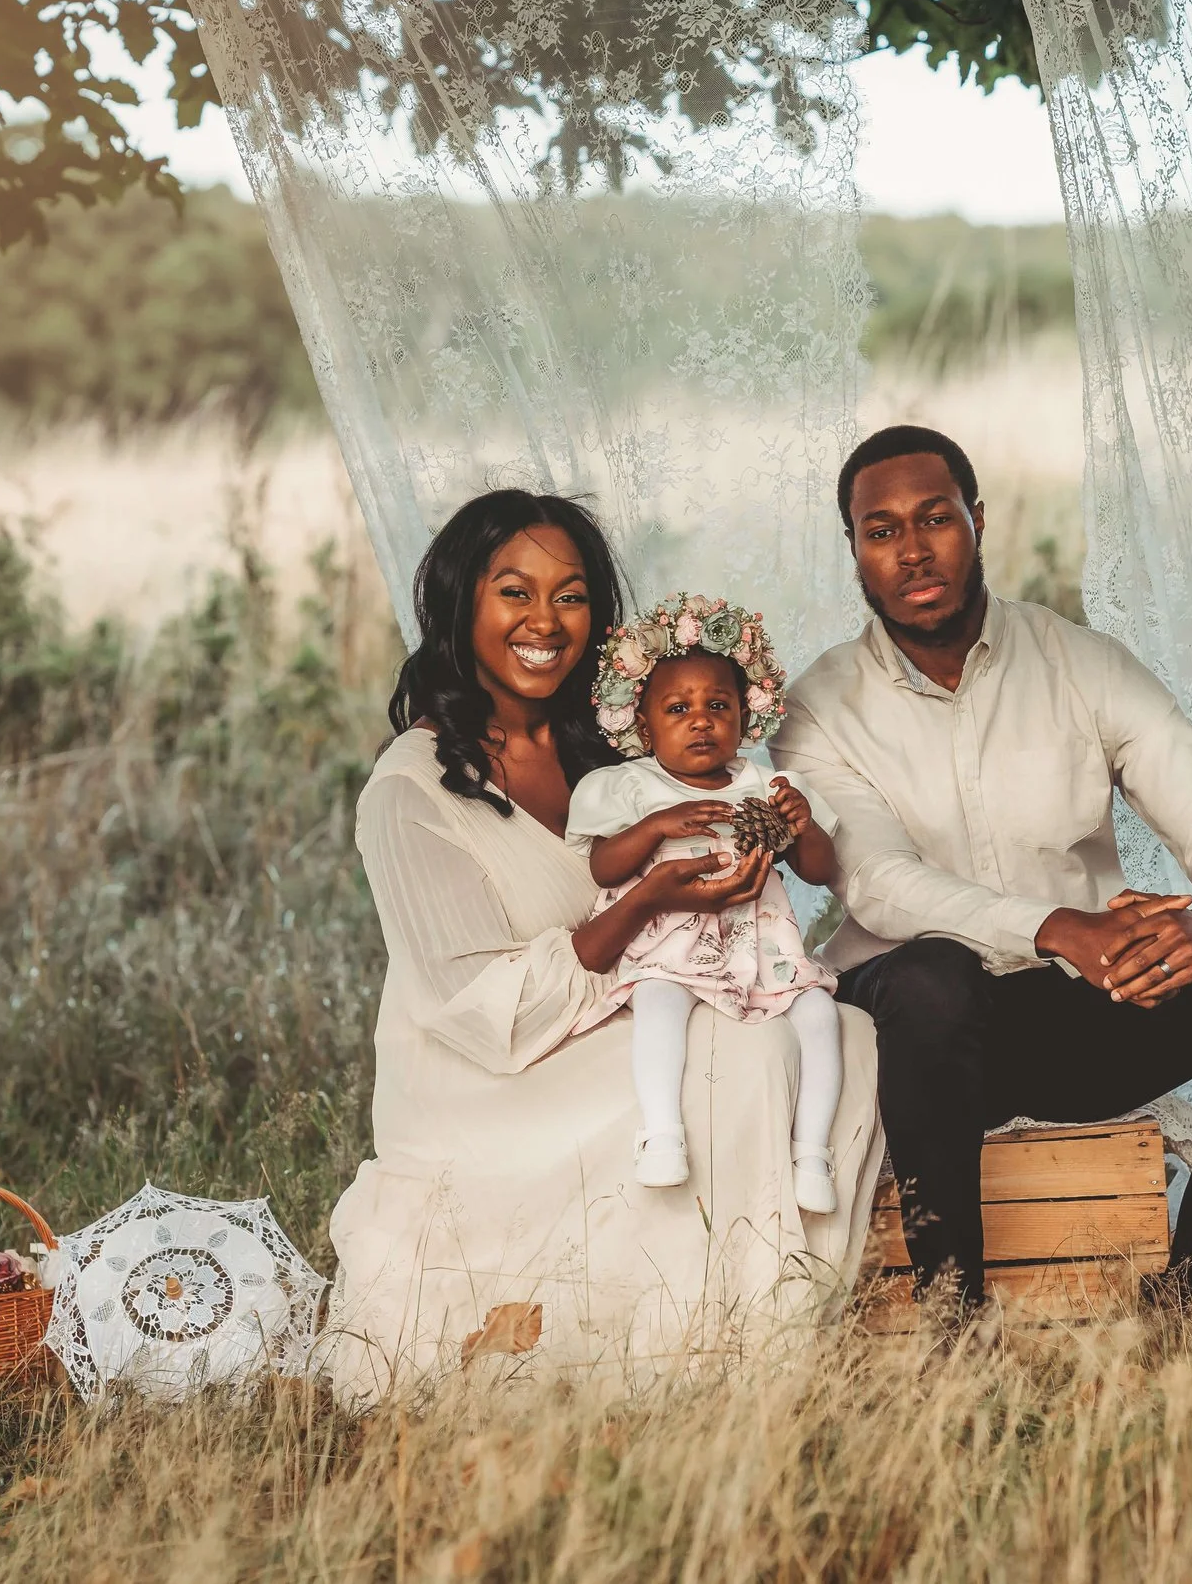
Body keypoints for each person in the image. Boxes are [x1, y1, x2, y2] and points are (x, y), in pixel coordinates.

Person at [323, 492, 883, 1399]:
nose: (545, 622)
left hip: (621, 1017)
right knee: (733, 1056)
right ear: (462, 604)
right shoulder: (410, 792)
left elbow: (764, 860)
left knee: (834, 1033)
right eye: (514, 591)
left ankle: (755, 1319)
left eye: (571, 595)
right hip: (492, 1080)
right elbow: (481, 1014)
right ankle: (706, 1359)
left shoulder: (614, 756)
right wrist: (650, 899)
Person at [771, 425, 1192, 1305]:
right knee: (931, 974)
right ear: (853, 550)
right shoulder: (818, 707)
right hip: (918, 1041)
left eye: (936, 519)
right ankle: (951, 1322)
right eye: (881, 531)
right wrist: (1054, 928)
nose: (913, 550)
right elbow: (879, 883)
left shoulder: (1081, 661)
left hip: (1086, 1007)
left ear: (978, 522)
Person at [565, 593, 844, 1210]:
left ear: (745, 719)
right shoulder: (631, 786)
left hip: (762, 944)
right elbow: (600, 865)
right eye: (678, 708)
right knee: (658, 1000)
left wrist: (804, 826)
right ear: (644, 727)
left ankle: (813, 1154)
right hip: (668, 943)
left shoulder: (769, 786)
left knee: (821, 1018)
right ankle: (662, 1134)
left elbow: (822, 872)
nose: (700, 720)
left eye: (718, 706)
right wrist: (658, 825)